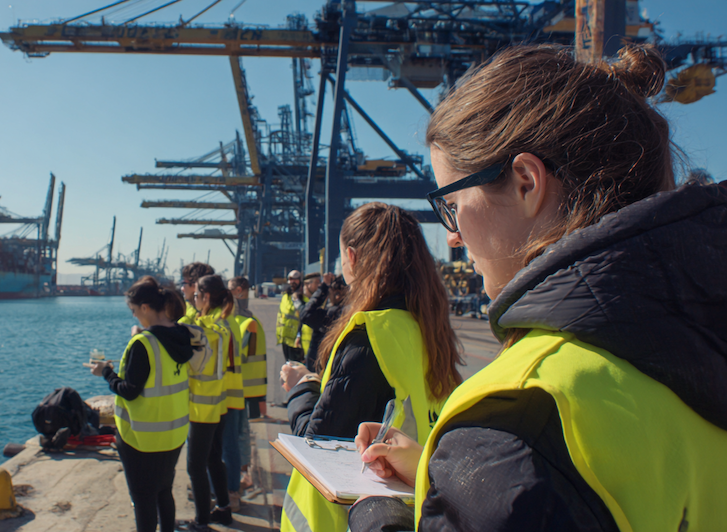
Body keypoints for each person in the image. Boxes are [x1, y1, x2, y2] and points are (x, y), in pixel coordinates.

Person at [349, 44, 727, 532]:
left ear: (527, 181)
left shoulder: (519, 413)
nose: (452, 235)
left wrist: (378, 515)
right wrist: (443, 474)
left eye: (452, 202)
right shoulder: (695, 349)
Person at [279, 202, 463, 532]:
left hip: (342, 518)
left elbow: (318, 443)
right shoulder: (428, 330)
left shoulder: (369, 336)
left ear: (351, 257)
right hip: (407, 506)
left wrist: (302, 387)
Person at [87, 276, 194, 532]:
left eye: (134, 311)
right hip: (175, 433)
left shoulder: (143, 344)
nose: (134, 317)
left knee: (143, 499)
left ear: (145, 307)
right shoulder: (181, 335)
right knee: (164, 492)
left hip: (141, 438)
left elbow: (129, 391)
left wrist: (106, 372)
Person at [179, 274, 236, 530]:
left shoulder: (203, 330)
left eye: (196, 296)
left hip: (202, 409)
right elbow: (195, 321)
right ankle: (223, 508)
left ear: (206, 297)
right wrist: (192, 305)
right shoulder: (222, 324)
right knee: (214, 459)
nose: (193, 299)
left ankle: (201, 520)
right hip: (219, 404)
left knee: (195, 466)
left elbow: (182, 329)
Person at [228, 276, 266, 495]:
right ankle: (242, 471)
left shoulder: (246, 323)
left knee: (240, 432)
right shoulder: (245, 320)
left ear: (239, 291)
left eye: (229, 290)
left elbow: (243, 354)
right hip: (242, 387)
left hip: (242, 387)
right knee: (239, 432)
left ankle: (244, 474)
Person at [298, 272, 347, 372]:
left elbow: (306, 314)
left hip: (321, 368)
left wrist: (323, 288)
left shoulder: (332, 314)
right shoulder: (353, 312)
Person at [276, 270, 305, 362]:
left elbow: (304, 316)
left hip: (296, 340)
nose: (293, 282)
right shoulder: (285, 295)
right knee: (288, 365)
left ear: (300, 280)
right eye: (291, 279)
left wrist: (299, 335)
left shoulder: (302, 297)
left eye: (296, 279)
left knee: (296, 368)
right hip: (285, 339)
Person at [292, 272, 321, 355]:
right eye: (317, 282)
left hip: (317, 348)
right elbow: (299, 320)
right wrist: (298, 336)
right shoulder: (300, 300)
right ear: (308, 284)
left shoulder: (320, 300)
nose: (319, 285)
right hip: (305, 347)